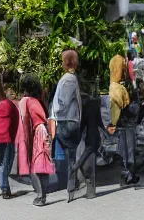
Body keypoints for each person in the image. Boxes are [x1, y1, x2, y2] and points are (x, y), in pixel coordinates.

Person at [49, 49, 85, 203]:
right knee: (69, 155)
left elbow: (62, 102)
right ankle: (71, 184)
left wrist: (54, 111)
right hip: (71, 121)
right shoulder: (72, 78)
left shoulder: (68, 79)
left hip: (66, 121)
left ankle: (70, 186)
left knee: (69, 156)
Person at [15, 74, 53, 207]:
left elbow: (24, 121)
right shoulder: (38, 101)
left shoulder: (27, 101)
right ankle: (43, 194)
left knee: (37, 166)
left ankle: (41, 196)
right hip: (44, 131)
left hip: (38, 133)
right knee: (43, 164)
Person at [108, 55, 139, 185]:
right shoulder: (120, 86)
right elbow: (117, 107)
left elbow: (116, 108)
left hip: (125, 124)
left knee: (126, 149)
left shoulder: (116, 86)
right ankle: (128, 174)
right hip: (127, 124)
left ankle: (128, 174)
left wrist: (112, 123)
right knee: (128, 149)